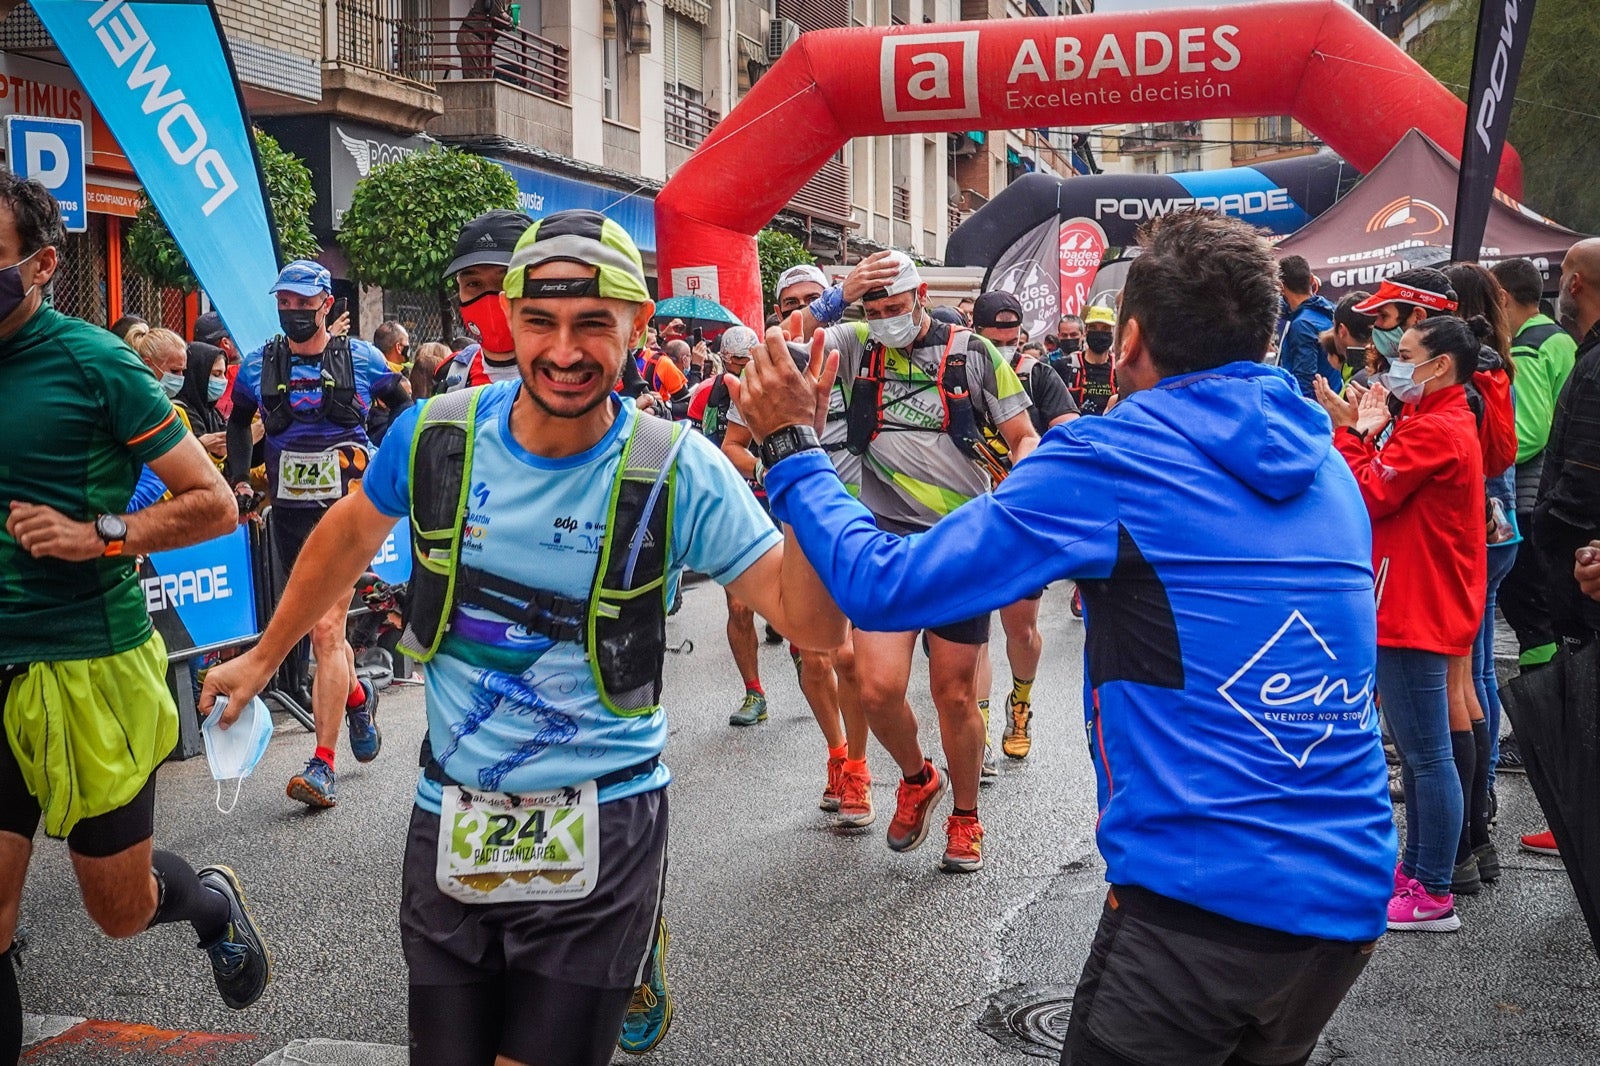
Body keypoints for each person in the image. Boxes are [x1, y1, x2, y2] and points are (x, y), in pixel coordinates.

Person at [741, 209, 1392, 1064]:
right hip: (1350, 894)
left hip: (1201, 903)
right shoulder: (1326, 462)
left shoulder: (1112, 457)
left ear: (1129, 340)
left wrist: (793, 449)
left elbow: (882, 586)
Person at [199, 209, 845, 1066]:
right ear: (509, 318)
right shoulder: (438, 434)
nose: (564, 351)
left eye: (593, 324)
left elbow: (815, 624)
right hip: (450, 818)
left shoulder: (677, 464)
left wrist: (798, 449)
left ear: (636, 325)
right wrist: (261, 655)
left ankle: (632, 930)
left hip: (605, 819)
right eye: (541, 321)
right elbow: (348, 535)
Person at [0, 174, 270, 1066]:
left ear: (43, 266)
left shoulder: (94, 363)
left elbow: (214, 503)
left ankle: (208, 904)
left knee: (117, 909)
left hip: (88, 660)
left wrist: (98, 535)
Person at [796, 249, 1039, 873]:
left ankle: (966, 817)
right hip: (886, 541)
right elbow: (786, 342)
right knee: (876, 689)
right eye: (873, 309)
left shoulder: (974, 354)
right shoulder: (855, 345)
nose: (885, 318)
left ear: (922, 296)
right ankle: (916, 778)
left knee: (953, 695)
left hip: (960, 545)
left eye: (895, 306)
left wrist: (1016, 500)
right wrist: (838, 295)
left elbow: (1023, 437)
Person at [1316, 312, 1487, 931]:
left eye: (1406, 355)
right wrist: (1365, 430)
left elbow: (1366, 492)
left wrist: (1350, 433)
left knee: (1426, 755)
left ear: (1440, 366)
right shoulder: (1435, 420)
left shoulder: (1437, 428)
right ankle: (1419, 870)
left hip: (1417, 603)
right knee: (1420, 754)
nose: (1393, 365)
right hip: (1417, 598)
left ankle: (1432, 888)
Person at [224, 260, 390, 808]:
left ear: (326, 304)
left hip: (348, 512)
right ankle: (356, 696)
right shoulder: (256, 364)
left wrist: (386, 462)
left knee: (324, 628)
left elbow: (406, 403)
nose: (293, 311)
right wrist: (239, 482)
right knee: (324, 632)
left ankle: (322, 765)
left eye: (303, 302)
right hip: (291, 514)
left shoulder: (362, 359)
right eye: (285, 303)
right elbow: (237, 422)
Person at [970, 290, 1078, 766]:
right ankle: (977, 731)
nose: (1005, 349)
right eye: (995, 340)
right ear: (975, 335)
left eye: (1012, 339)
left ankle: (1020, 704)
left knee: (1021, 630)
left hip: (1021, 522)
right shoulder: (957, 372)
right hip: (968, 516)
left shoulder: (1038, 375)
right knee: (972, 635)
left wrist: (1033, 468)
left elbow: (1069, 432)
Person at [1518, 240, 1600, 857]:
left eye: (1564, 275)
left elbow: (1584, 473)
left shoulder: (1593, 364)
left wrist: (1548, 527)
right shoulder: (1582, 352)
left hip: (1583, 563)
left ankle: (1585, 820)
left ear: (1573, 284)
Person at [1490, 256, 1578, 677]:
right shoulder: (1561, 338)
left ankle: (1539, 702)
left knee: (1531, 616)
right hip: (1562, 489)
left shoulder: (1525, 349)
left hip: (1530, 497)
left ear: (1502, 297)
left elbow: (1524, 434)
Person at [436, 210, 533, 392]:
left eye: (506, 282)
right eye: (473, 284)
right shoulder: (450, 377)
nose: (490, 300)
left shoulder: (567, 378)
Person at [1277, 254, 1336, 397]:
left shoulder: (1302, 325)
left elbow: (1305, 380)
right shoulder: (1328, 309)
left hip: (1316, 403)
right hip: (1333, 395)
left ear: (1281, 287)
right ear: (1311, 279)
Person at [174, 341, 230, 468]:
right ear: (198, 374)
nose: (223, 381)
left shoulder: (211, 411)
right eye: (216, 374)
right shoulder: (180, 410)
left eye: (224, 374)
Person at [1069, 304, 1117, 415]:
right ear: (1085, 330)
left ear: (1113, 332)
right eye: (1093, 327)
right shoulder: (1067, 366)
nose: (1099, 333)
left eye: (1105, 328)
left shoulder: (1121, 370)